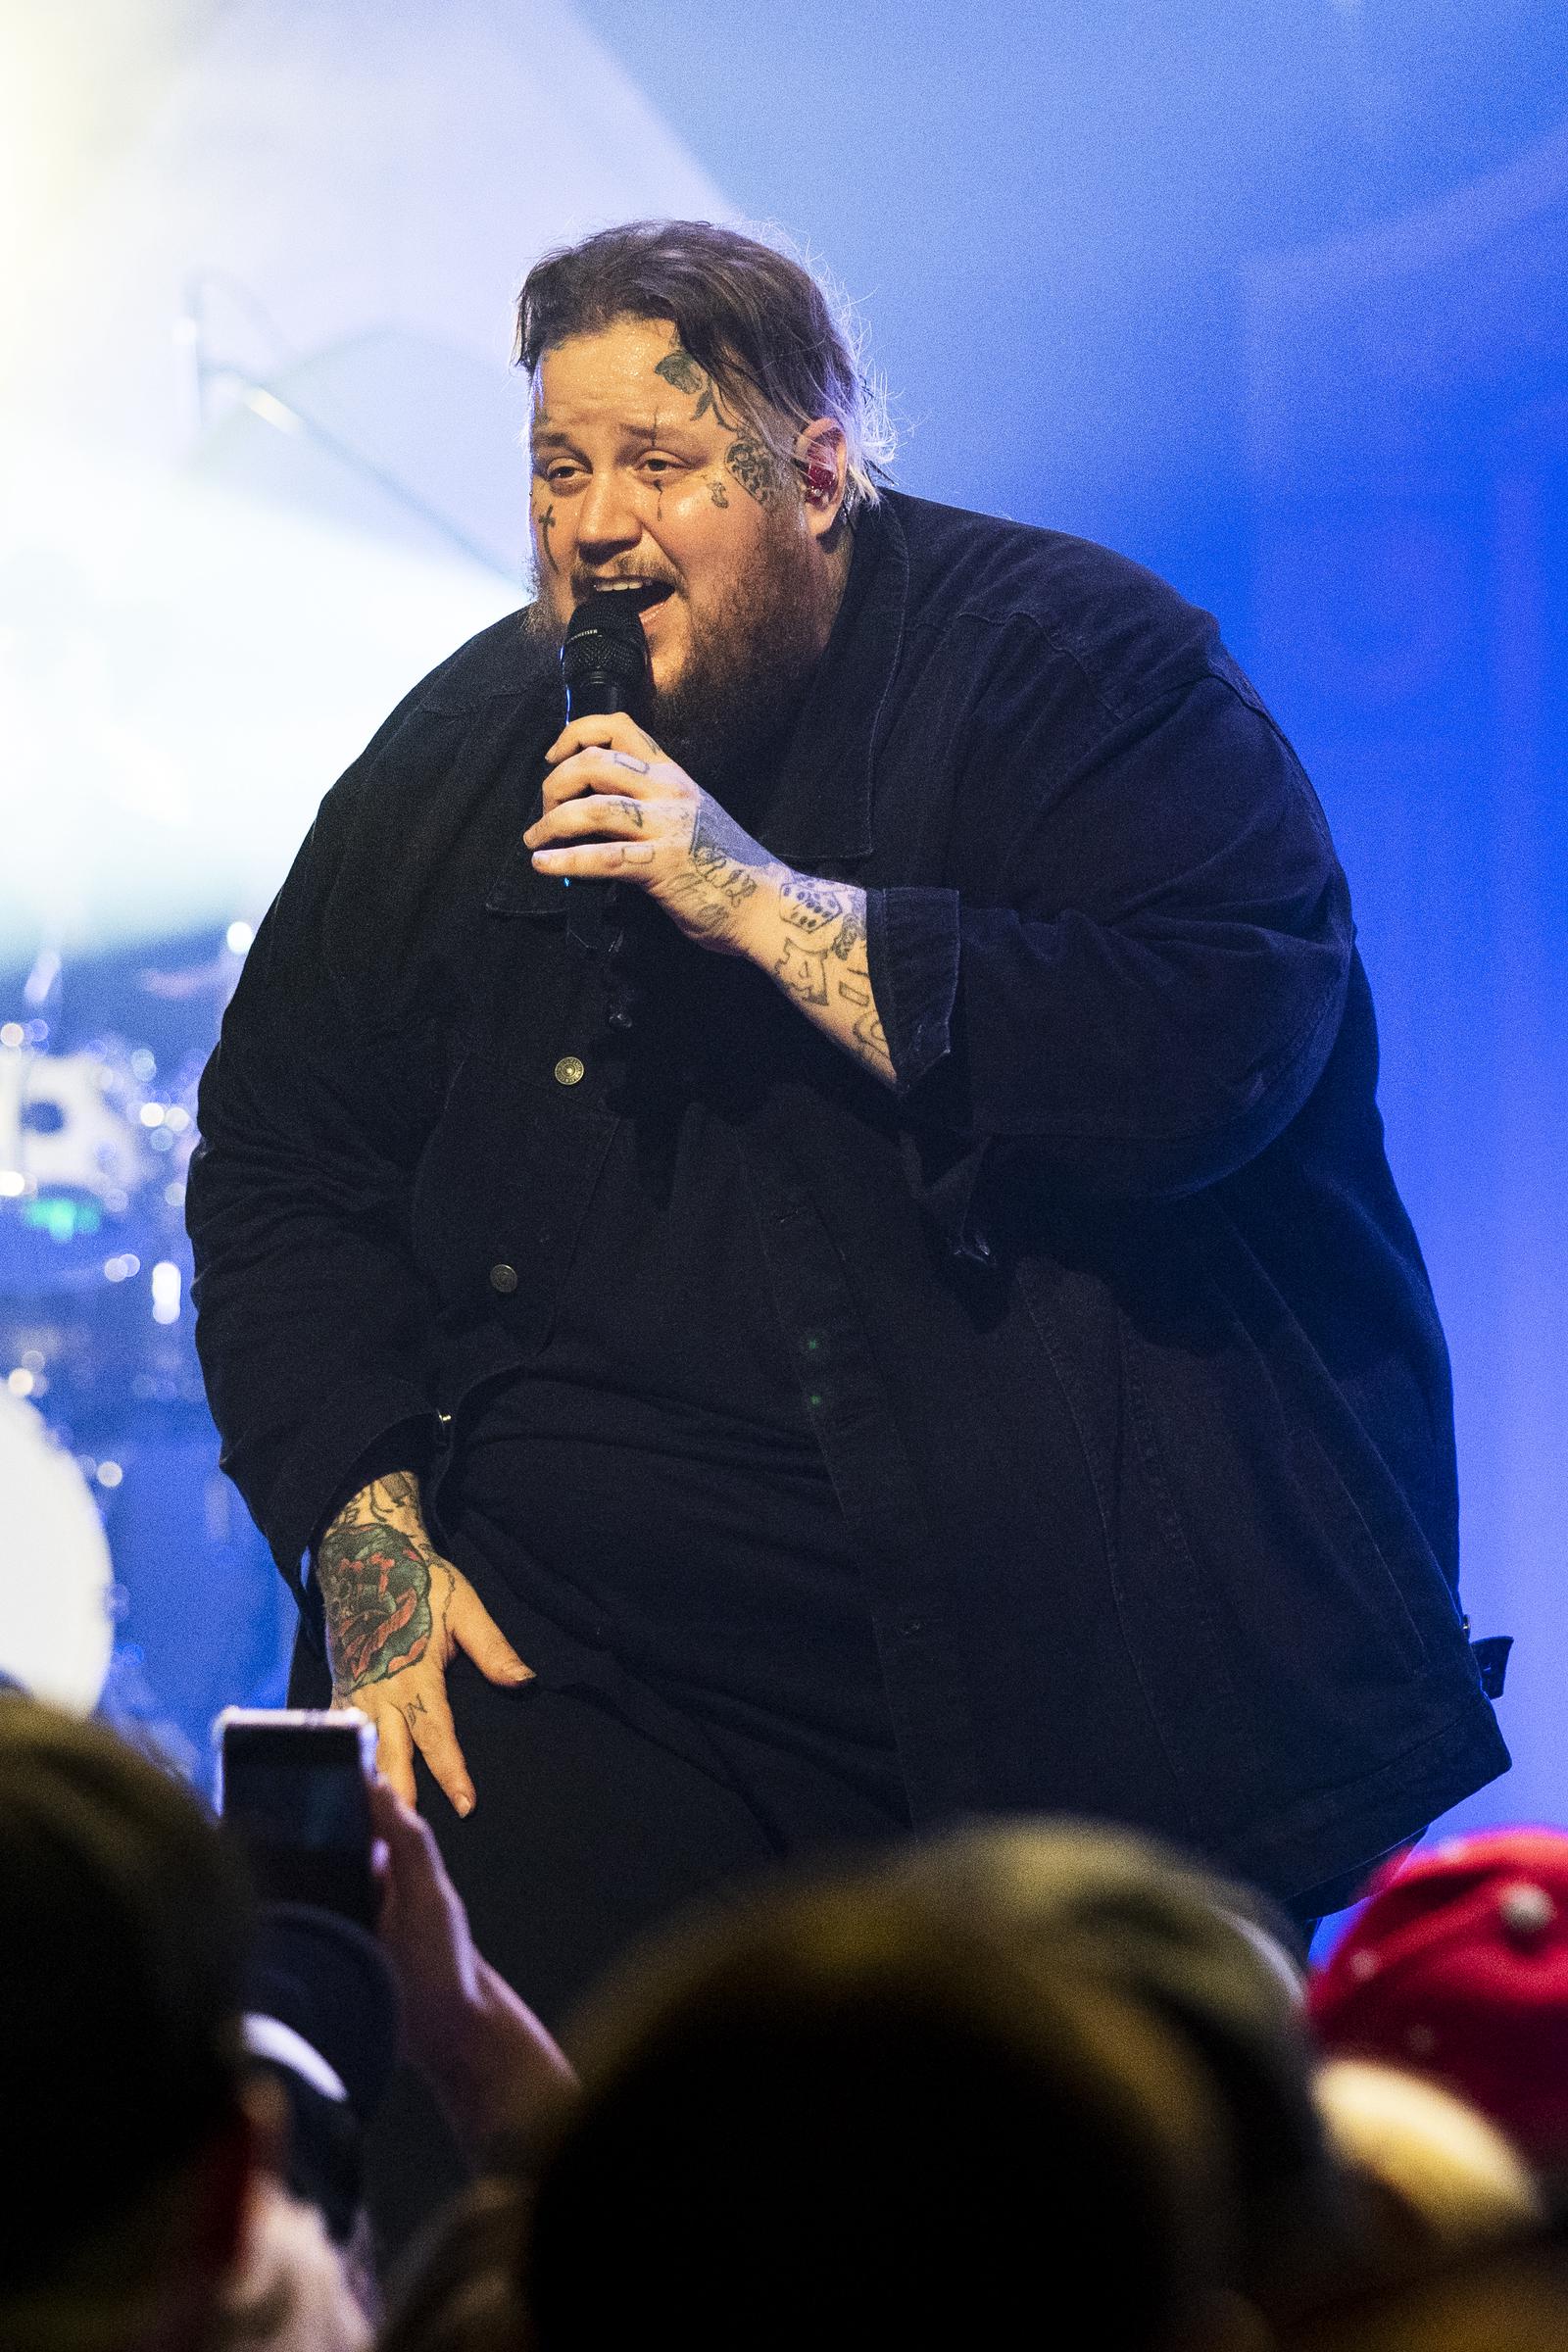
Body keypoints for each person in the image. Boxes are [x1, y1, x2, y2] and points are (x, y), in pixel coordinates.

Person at [187, 218, 1507, 2039]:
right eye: (560, 469)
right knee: (474, 2122)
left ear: (816, 475)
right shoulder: (469, 743)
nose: (593, 524)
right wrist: (363, 1529)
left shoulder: (1082, 668)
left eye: (658, 465)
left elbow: (1216, 1052)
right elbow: (280, 1151)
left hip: (1053, 1650)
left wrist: (746, 893)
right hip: (587, 1639)